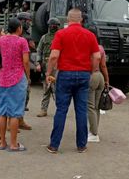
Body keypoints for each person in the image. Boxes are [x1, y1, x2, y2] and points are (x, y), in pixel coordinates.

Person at [45, 9, 100, 153]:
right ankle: (81, 145)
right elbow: (97, 57)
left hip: (65, 75)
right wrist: (91, 70)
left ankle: (54, 145)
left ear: (67, 20)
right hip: (83, 75)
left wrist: (48, 72)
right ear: (81, 19)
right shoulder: (90, 35)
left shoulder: (61, 34)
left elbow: (53, 56)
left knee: (61, 110)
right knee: (81, 111)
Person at [0, 18, 31, 152]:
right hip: (17, 78)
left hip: (2, 78)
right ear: (19, 28)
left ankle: (2, 142)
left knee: (2, 112)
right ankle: (14, 144)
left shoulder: (1, 40)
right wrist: (28, 77)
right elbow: (26, 62)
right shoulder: (22, 41)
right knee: (15, 113)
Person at [87, 28, 110, 143]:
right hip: (100, 76)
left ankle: (93, 133)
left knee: (90, 106)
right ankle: (94, 130)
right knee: (96, 106)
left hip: (91, 76)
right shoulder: (100, 48)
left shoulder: (87, 47)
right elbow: (104, 66)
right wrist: (107, 80)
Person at [36, 17, 61, 117]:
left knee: (57, 88)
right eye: (53, 25)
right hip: (46, 64)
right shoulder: (44, 38)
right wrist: (38, 63)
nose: (54, 27)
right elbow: (39, 50)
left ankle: (60, 110)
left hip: (57, 65)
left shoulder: (60, 37)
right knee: (46, 88)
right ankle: (43, 109)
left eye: (55, 25)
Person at [16, 11, 35, 130]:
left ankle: (20, 119)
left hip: (24, 67)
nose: (29, 23)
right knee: (15, 97)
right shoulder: (16, 35)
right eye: (27, 21)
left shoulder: (27, 34)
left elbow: (32, 47)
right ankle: (11, 122)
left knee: (25, 95)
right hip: (17, 68)